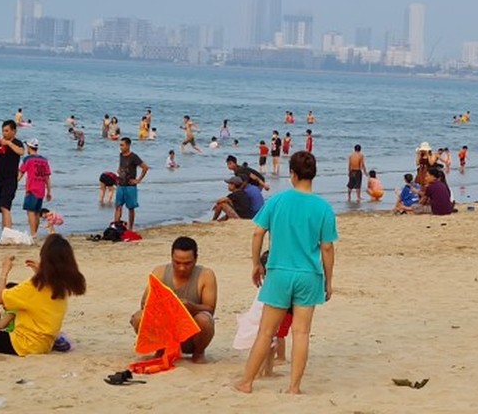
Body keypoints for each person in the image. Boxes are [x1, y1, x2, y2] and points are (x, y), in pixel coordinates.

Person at [235, 152, 338, 395]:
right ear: (313, 174)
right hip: (309, 274)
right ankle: (294, 388)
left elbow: (257, 233)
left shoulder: (277, 201)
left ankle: (247, 382)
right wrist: (329, 280)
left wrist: (256, 264)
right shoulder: (323, 207)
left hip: (279, 272)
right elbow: (327, 247)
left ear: (292, 173)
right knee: (301, 332)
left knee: (266, 331)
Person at [0, 234, 87, 356]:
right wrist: (41, 272)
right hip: (45, 343)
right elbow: (45, 295)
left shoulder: (34, 286)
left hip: (23, 343)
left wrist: (5, 270)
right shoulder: (63, 284)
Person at [130, 236, 219, 363]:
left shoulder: (206, 275)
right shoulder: (159, 272)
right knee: (139, 317)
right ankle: (160, 349)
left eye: (187, 263)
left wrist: (191, 306)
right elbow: (144, 304)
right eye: (177, 263)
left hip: (191, 334)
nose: (182, 268)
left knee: (205, 319)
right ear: (171, 258)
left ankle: (199, 353)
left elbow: (210, 309)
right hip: (165, 330)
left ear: (195, 259)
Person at [0, 120, 25, 232]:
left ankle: (8, 232)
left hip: (10, 179)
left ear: (14, 131)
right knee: (2, 208)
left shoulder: (17, 142)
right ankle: (4, 232)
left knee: (6, 206)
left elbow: (21, 152)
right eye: (3, 131)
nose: (4, 133)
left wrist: (9, 143)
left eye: (7, 131)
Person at [115, 137, 149, 230]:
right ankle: (116, 226)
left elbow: (145, 167)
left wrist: (138, 180)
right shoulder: (121, 155)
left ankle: (130, 228)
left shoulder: (134, 157)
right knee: (118, 206)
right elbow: (121, 166)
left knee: (131, 208)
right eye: (120, 145)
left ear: (128, 145)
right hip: (120, 185)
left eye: (122, 145)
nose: (121, 147)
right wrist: (118, 173)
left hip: (130, 186)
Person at [21, 141, 53, 236]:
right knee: (37, 212)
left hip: (31, 188)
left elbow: (21, 172)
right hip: (41, 189)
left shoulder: (28, 159)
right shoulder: (44, 160)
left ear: (29, 147)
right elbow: (47, 177)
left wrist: (14, 183)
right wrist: (49, 191)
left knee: (30, 212)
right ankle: (35, 232)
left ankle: (33, 233)